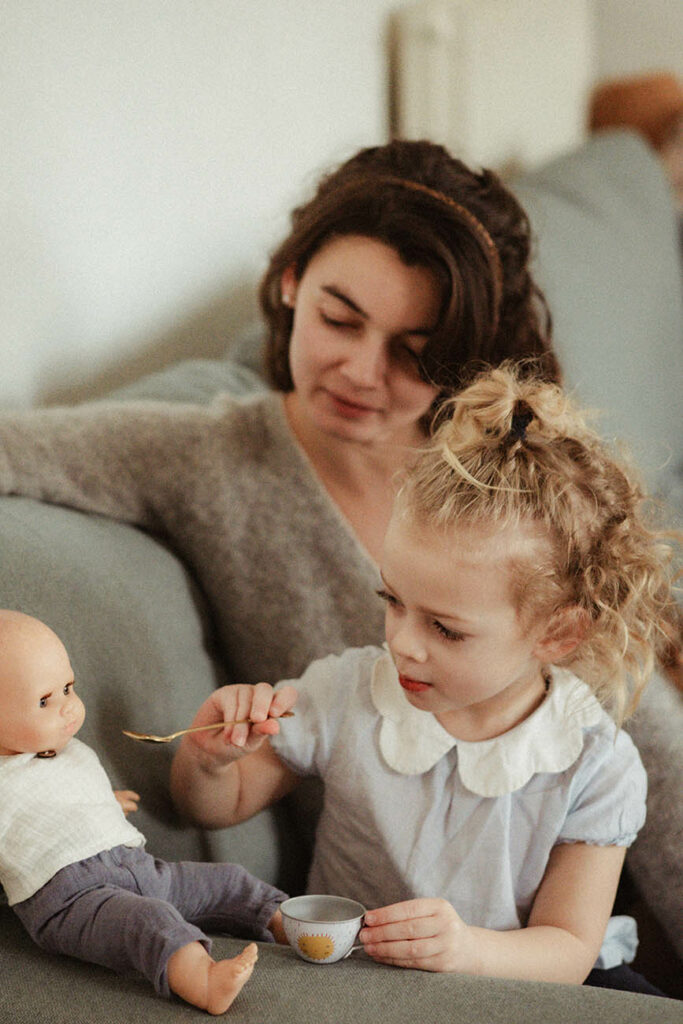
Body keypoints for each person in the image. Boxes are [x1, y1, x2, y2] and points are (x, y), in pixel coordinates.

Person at [170, 364, 677, 994]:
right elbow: (213, 808)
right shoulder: (347, 694)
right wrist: (210, 759)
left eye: (447, 629)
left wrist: (467, 949)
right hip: (353, 979)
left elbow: (568, 948)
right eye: (393, 600)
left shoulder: (595, 765)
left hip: (512, 983)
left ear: (557, 635)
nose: (402, 643)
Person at [0, 139, 559, 688]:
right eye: (339, 320)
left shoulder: (509, 463)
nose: (363, 372)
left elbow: (621, 699)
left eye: (414, 353)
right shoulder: (206, 453)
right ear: (292, 280)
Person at [0, 610, 289, 1014]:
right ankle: (203, 980)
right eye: (45, 700)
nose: (68, 708)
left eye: (68, 688)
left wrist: (104, 801)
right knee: (148, 922)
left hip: (141, 868)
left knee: (227, 880)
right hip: (73, 899)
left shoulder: (62, 749)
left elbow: (59, 799)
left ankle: (288, 922)